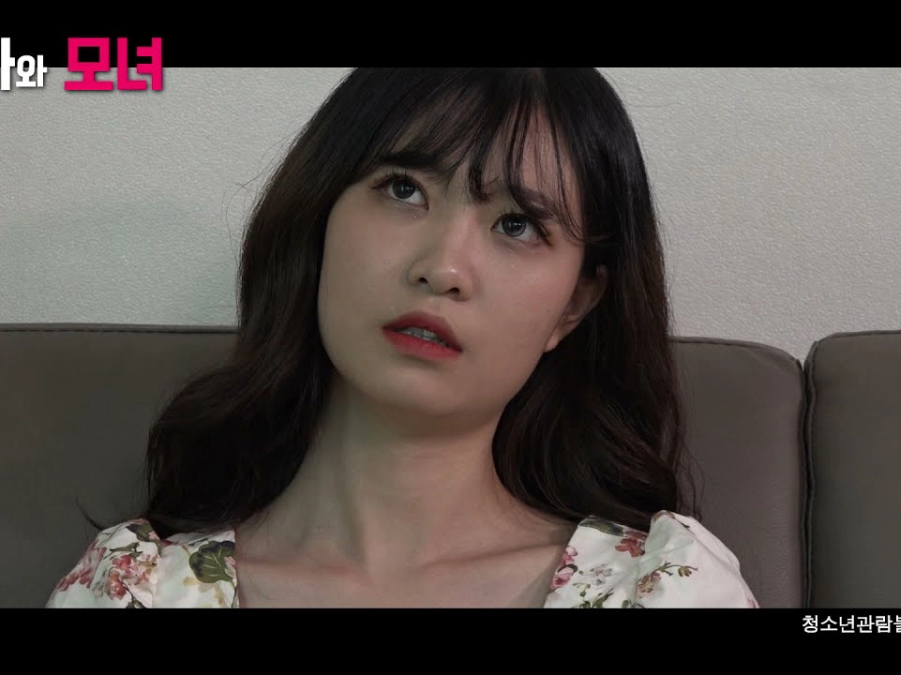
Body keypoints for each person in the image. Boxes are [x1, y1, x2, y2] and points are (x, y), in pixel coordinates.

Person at [46, 68, 758, 608]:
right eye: (403, 189)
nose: (442, 268)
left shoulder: (663, 588)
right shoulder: (137, 588)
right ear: (319, 216)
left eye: (516, 225)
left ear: (574, 305)